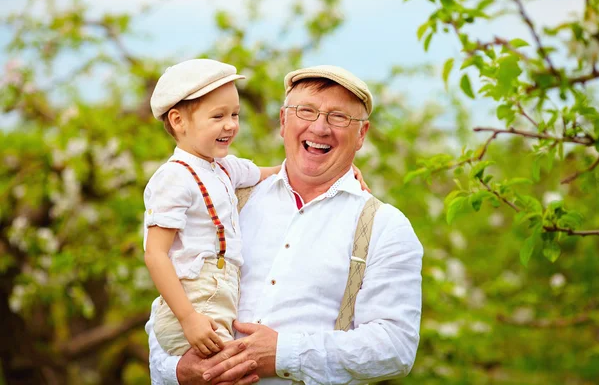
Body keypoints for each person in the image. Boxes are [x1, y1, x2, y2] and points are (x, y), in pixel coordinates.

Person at [146, 64, 423, 384]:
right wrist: (178, 372)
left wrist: (283, 353)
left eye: (339, 117)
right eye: (306, 111)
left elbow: (396, 347)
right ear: (282, 121)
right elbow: (172, 302)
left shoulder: (385, 226)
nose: (320, 128)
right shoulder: (227, 197)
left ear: (361, 134)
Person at [143, 59, 280, 358]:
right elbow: (155, 254)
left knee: (235, 368)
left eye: (235, 114)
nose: (230, 124)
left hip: (221, 295)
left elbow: (279, 172)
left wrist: (341, 173)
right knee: (232, 368)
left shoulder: (224, 168)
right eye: (218, 116)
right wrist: (188, 318)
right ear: (178, 121)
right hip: (195, 299)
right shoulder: (174, 176)